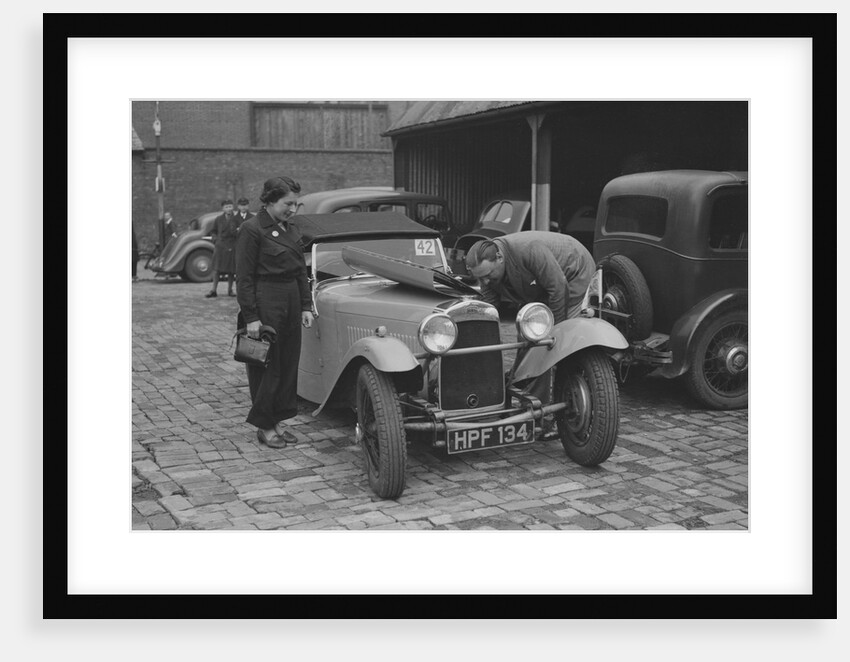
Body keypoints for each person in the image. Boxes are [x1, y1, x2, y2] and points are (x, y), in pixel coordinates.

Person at [465, 231, 596, 435]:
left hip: (571, 275)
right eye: (481, 278)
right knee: (528, 337)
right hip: (540, 288)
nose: (487, 282)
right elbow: (488, 308)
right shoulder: (488, 274)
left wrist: (554, 336)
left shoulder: (529, 250)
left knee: (546, 345)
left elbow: (558, 288)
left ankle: (544, 414)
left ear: (499, 257)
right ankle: (529, 399)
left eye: (489, 276)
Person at [235, 176, 314, 448]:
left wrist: (305, 305)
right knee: (267, 367)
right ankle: (264, 425)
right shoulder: (252, 228)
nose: (292, 209)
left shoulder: (291, 229)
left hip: (291, 299)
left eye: (295, 204)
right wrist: (251, 317)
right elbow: (243, 278)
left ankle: (279, 420)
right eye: (287, 203)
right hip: (265, 300)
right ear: (269, 200)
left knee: (288, 364)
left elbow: (300, 272)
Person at [206, 199, 239, 298]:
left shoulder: (237, 218)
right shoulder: (218, 219)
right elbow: (213, 231)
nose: (229, 209)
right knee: (216, 269)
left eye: (230, 206)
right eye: (226, 207)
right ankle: (213, 290)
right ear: (223, 208)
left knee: (231, 270)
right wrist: (215, 240)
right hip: (220, 246)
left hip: (232, 246)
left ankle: (230, 290)